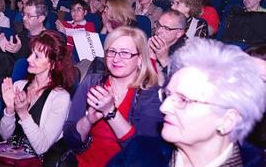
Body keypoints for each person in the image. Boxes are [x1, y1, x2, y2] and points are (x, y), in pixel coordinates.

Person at [108, 38, 266, 167]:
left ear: (227, 120)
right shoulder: (139, 152)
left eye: (183, 99)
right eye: (168, 95)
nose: (164, 107)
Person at [63, 26, 162, 167]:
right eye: (112, 51)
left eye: (125, 53)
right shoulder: (92, 82)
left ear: (140, 59)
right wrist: (88, 120)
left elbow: (143, 155)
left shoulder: (150, 95)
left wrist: (110, 112)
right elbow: (70, 139)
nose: (116, 58)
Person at [0, 30, 75, 160]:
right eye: (31, 53)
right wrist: (10, 109)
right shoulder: (19, 86)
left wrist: (23, 113)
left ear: (52, 64)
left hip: (33, 159)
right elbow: (5, 136)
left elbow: (42, 147)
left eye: (37, 56)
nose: (29, 59)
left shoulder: (60, 98)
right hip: (8, 153)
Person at [148, 10, 187, 83]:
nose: (159, 31)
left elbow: (180, 83)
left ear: (179, 33)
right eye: (158, 25)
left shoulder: (186, 53)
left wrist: (163, 59)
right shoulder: (153, 41)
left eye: (166, 28)